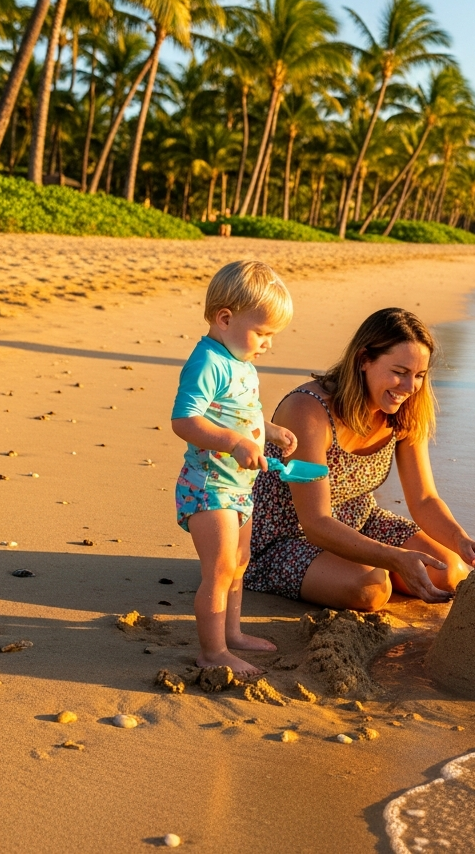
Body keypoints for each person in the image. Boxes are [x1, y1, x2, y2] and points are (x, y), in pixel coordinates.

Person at [244, 308, 475, 610]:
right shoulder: (307, 411)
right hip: (286, 537)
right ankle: (370, 569)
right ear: (364, 360)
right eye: (399, 372)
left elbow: (424, 499)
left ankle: (372, 566)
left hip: (361, 522)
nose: (408, 387)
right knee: (372, 588)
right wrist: (394, 558)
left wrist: (461, 541)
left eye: (418, 376)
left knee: (449, 571)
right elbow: (315, 522)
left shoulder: (405, 413)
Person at [170, 260, 298, 677]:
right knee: (220, 568)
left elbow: (239, 412)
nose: (268, 344)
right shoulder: (208, 361)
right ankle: (212, 651)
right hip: (209, 487)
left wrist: (270, 431)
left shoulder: (240, 360)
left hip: (238, 486)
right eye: (262, 333)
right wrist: (236, 442)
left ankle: (233, 633)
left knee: (240, 562)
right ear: (225, 318)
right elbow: (185, 420)